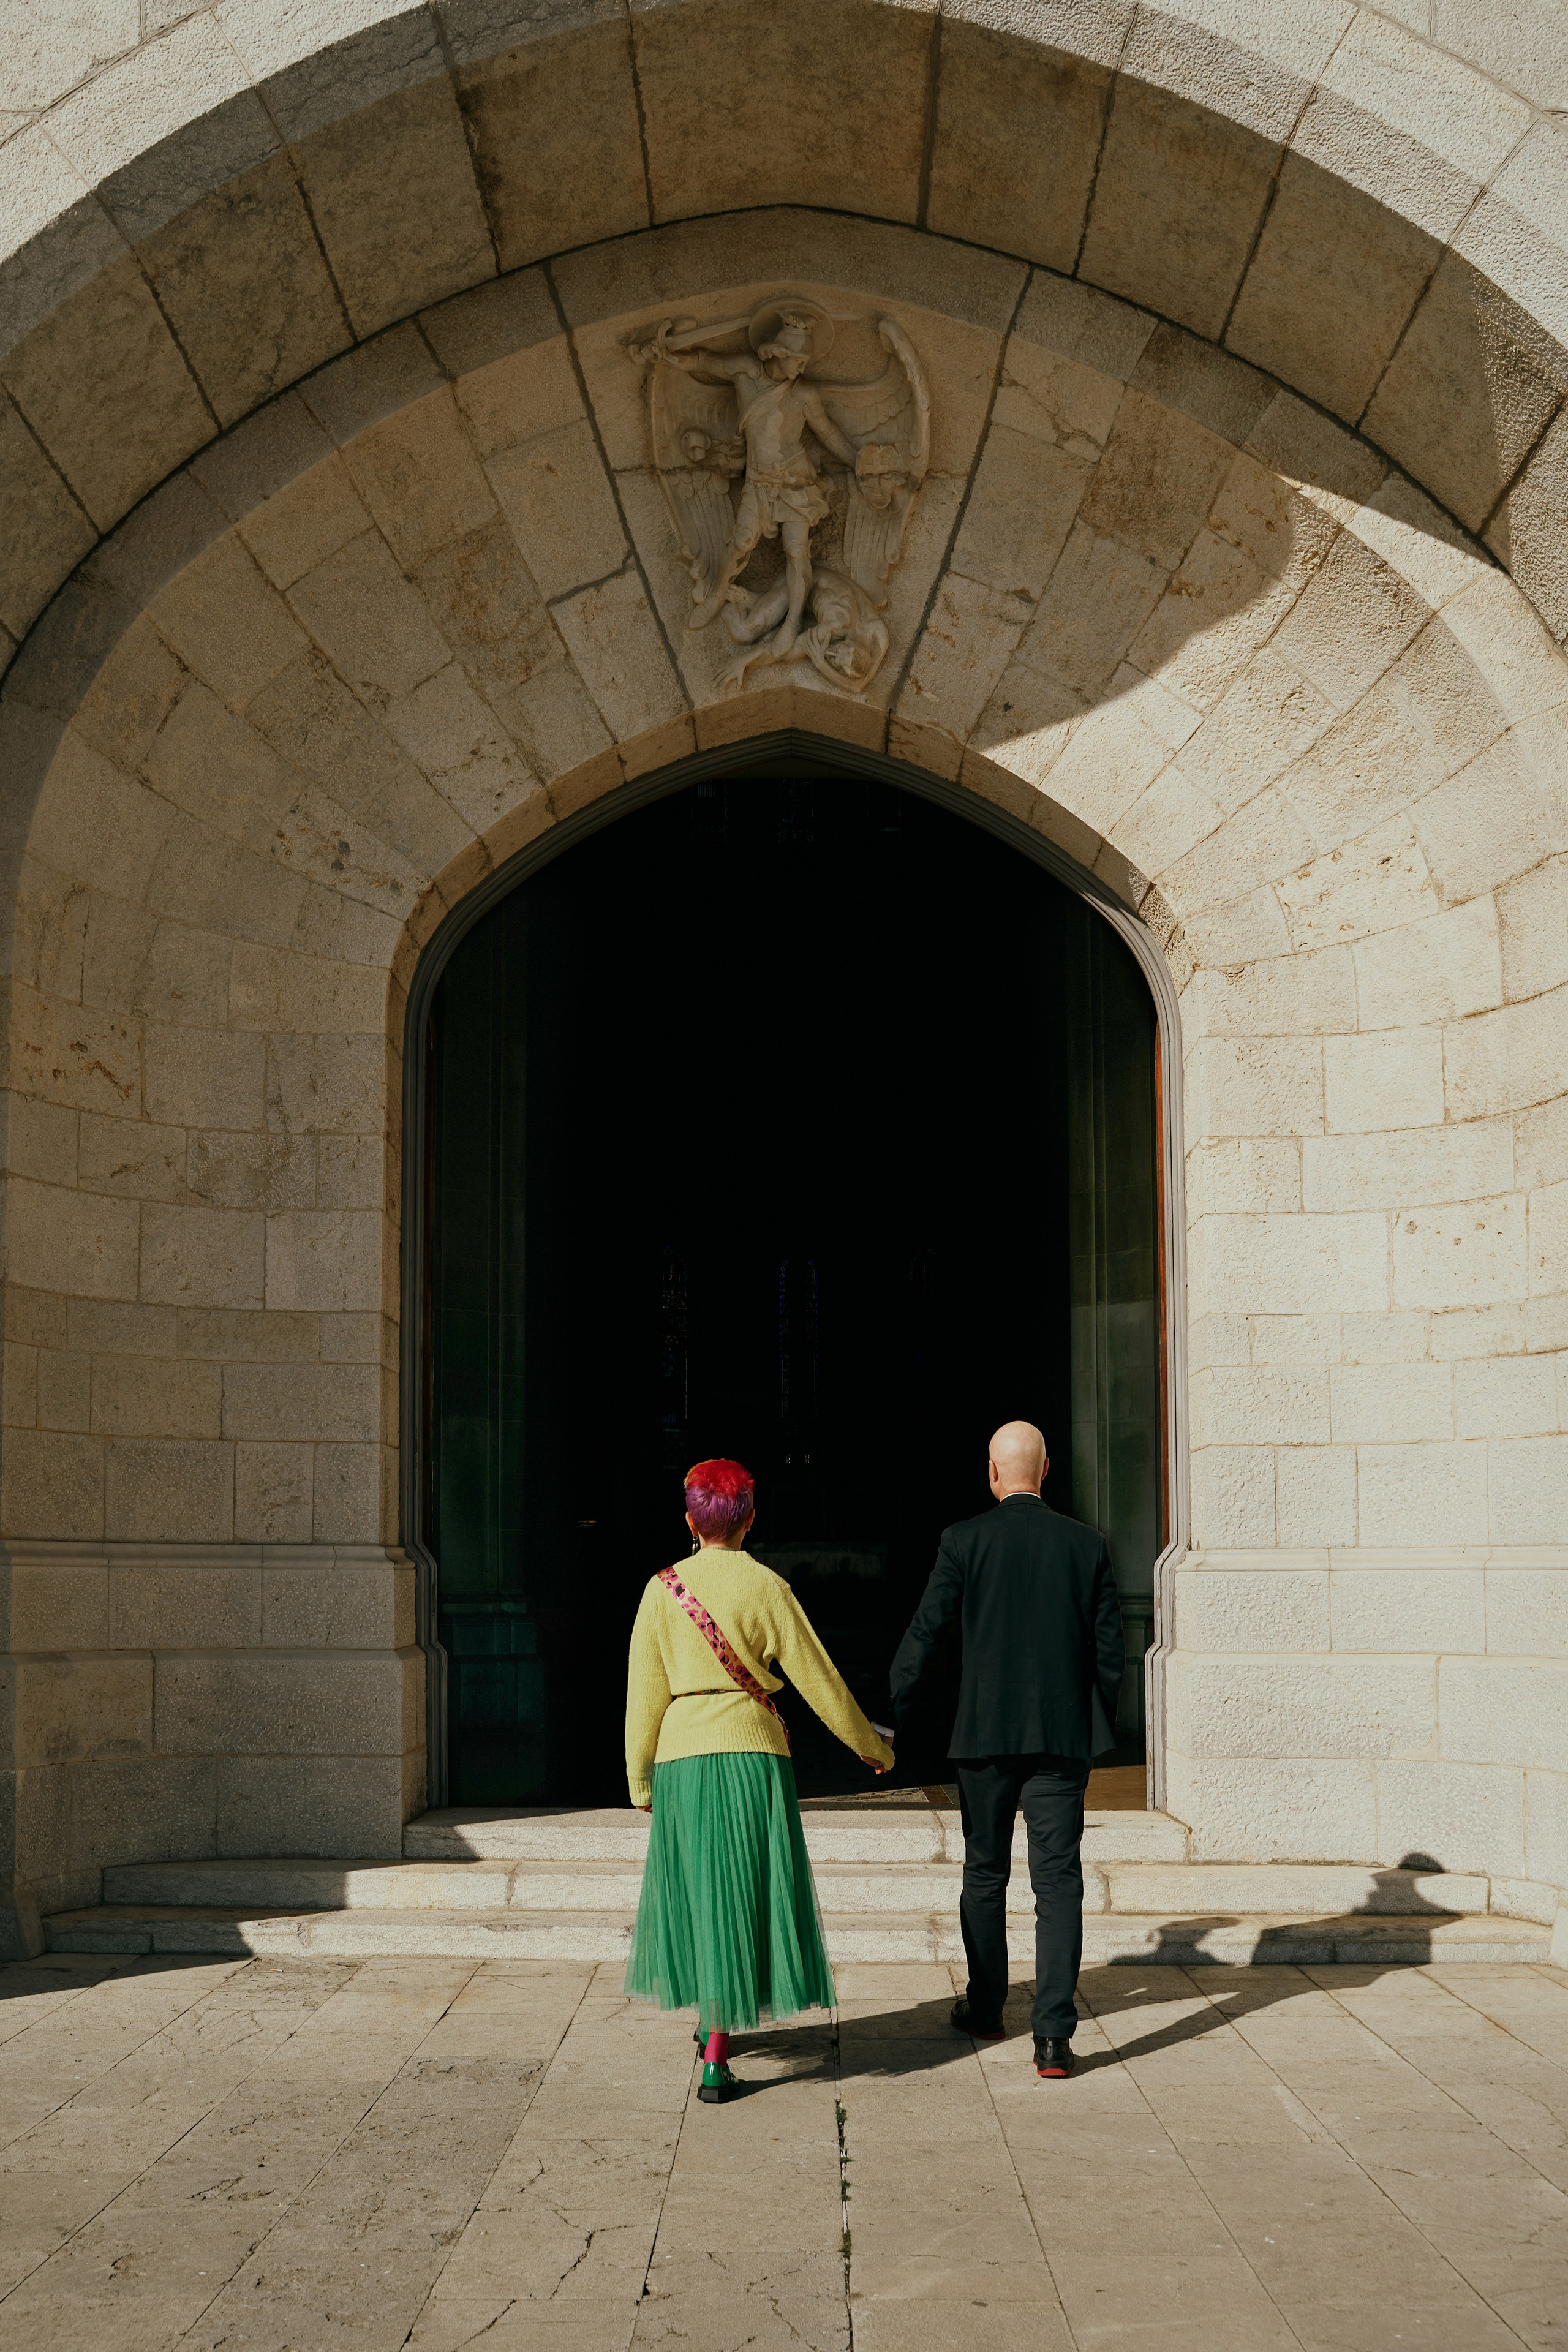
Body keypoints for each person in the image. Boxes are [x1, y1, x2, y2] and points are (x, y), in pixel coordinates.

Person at [624, 1457, 894, 2103]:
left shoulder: (661, 1589)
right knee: (743, 1892)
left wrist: (639, 1781)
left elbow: (643, 1697)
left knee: (698, 1892)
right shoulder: (768, 1587)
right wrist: (870, 1746)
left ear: (690, 1519)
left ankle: (712, 2036)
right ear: (750, 1518)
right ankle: (718, 2046)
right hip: (754, 1756)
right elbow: (819, 1679)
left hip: (683, 1757)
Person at [888, 1420, 1125, 2081]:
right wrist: (1093, 1727)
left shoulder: (963, 1540)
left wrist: (891, 1714)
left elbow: (927, 1631)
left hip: (984, 1737)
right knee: (1058, 1884)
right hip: (1059, 1739)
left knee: (984, 1875)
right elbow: (1109, 1654)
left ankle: (987, 2006)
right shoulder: (1088, 1545)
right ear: (1045, 1469)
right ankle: (1052, 2037)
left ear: (993, 1473)